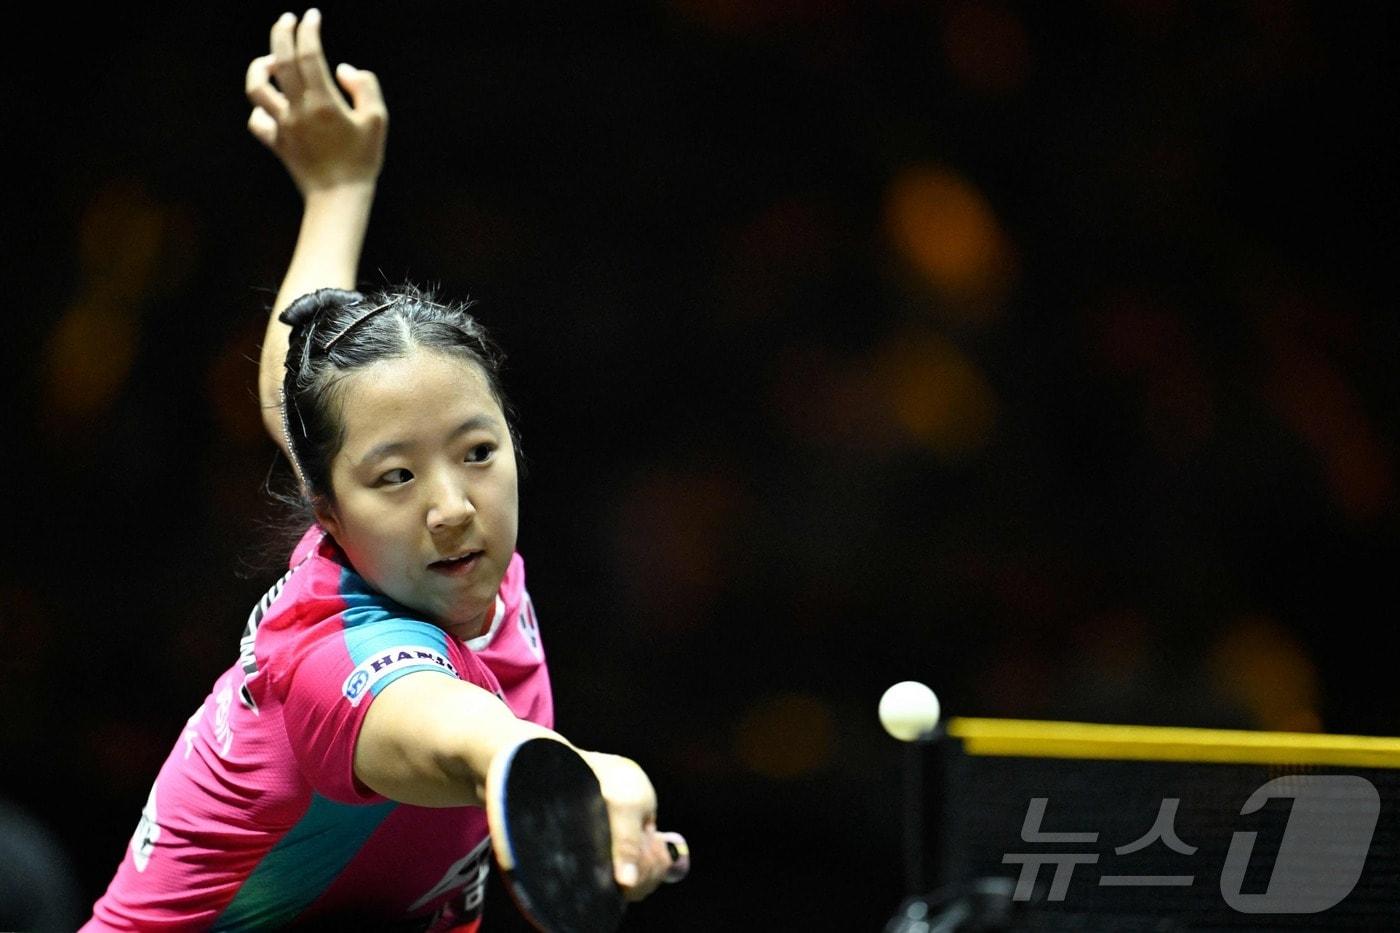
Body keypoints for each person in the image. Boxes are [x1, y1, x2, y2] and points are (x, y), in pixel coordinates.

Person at [83, 10, 681, 930]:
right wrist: (577, 772)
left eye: (478, 452)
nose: (452, 507)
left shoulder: (423, 545)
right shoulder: (336, 658)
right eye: (396, 477)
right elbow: (463, 735)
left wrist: (336, 191)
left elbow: (303, 392)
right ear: (326, 506)